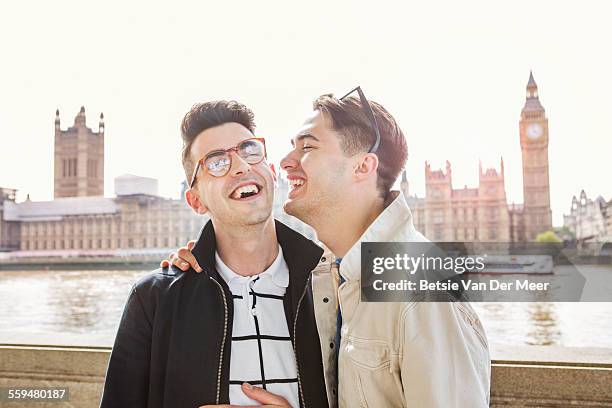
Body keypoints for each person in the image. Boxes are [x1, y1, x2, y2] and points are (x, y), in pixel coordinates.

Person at [166, 88, 491, 407]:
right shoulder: (329, 278)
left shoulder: (423, 293)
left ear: (363, 167)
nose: (284, 161)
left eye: (307, 147)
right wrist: (207, 258)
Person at [100, 101, 331, 408]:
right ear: (195, 201)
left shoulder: (332, 285)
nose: (240, 166)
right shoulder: (153, 299)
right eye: (216, 162)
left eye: (249, 150)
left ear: (272, 173)